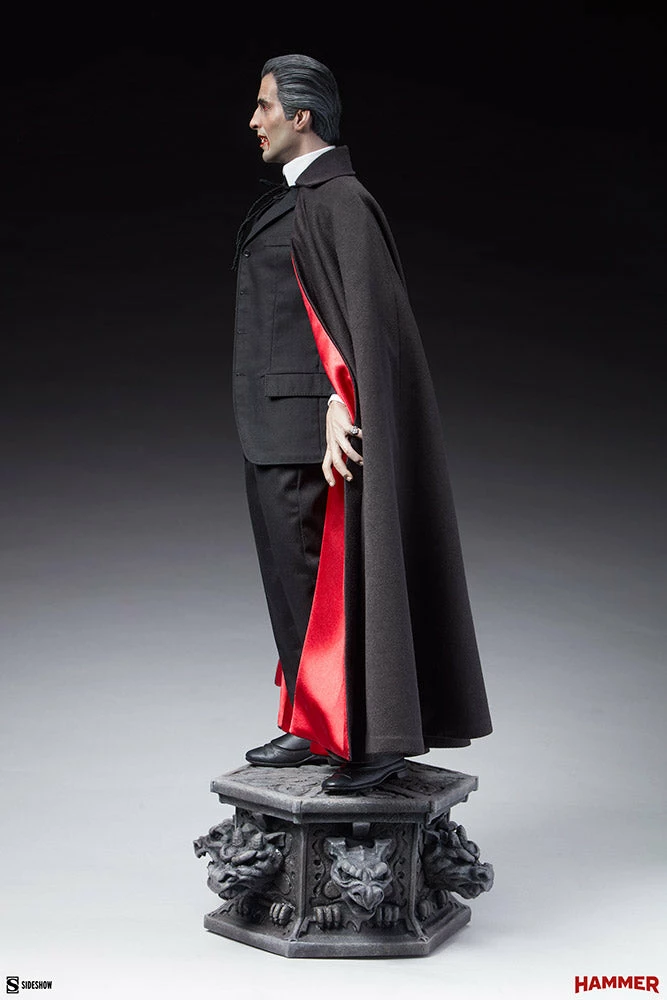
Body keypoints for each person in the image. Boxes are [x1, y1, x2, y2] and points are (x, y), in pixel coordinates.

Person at [232, 54, 492, 794]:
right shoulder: (298, 199)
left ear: (301, 115)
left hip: (315, 434)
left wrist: (341, 399)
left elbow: (366, 326)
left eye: (264, 106)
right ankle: (313, 719)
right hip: (272, 426)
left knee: (336, 582)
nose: (254, 121)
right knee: (293, 583)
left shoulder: (340, 200)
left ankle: (371, 736)